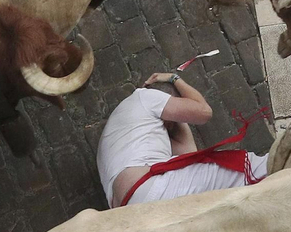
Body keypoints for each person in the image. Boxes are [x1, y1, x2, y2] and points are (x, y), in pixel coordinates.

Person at [97, 71, 268, 208]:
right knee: (246, 167)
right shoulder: (145, 97)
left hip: (129, 211)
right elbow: (204, 112)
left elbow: (190, 155)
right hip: (147, 187)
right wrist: (174, 78)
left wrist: (176, 118)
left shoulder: (130, 130)